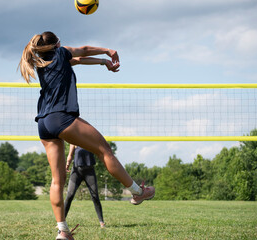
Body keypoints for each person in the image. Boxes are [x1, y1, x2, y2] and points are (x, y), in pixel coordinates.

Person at [18, 31, 155, 240]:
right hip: (62, 118)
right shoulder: (61, 53)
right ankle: (137, 192)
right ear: (57, 46)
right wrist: (108, 51)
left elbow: (80, 59)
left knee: (57, 180)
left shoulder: (42, 62)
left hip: (44, 123)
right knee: (104, 150)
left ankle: (62, 231)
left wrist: (103, 62)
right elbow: (83, 50)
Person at [64, 144, 105, 228]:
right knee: (69, 195)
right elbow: (70, 155)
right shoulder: (74, 140)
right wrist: (67, 163)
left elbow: (100, 153)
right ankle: (61, 221)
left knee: (95, 196)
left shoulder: (90, 139)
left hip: (89, 172)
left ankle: (102, 222)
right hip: (76, 171)